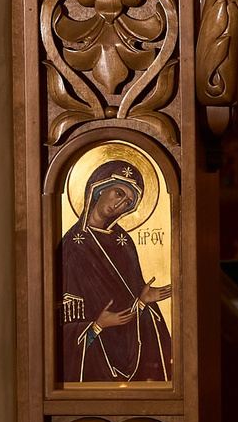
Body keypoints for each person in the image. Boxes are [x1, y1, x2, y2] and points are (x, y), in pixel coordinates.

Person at [59, 157, 173, 382]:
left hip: (129, 345)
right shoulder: (72, 245)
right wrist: (98, 325)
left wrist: (142, 301)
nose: (120, 205)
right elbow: (59, 319)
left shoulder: (124, 242)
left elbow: (132, 298)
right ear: (100, 188)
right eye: (119, 193)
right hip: (93, 355)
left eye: (129, 203)